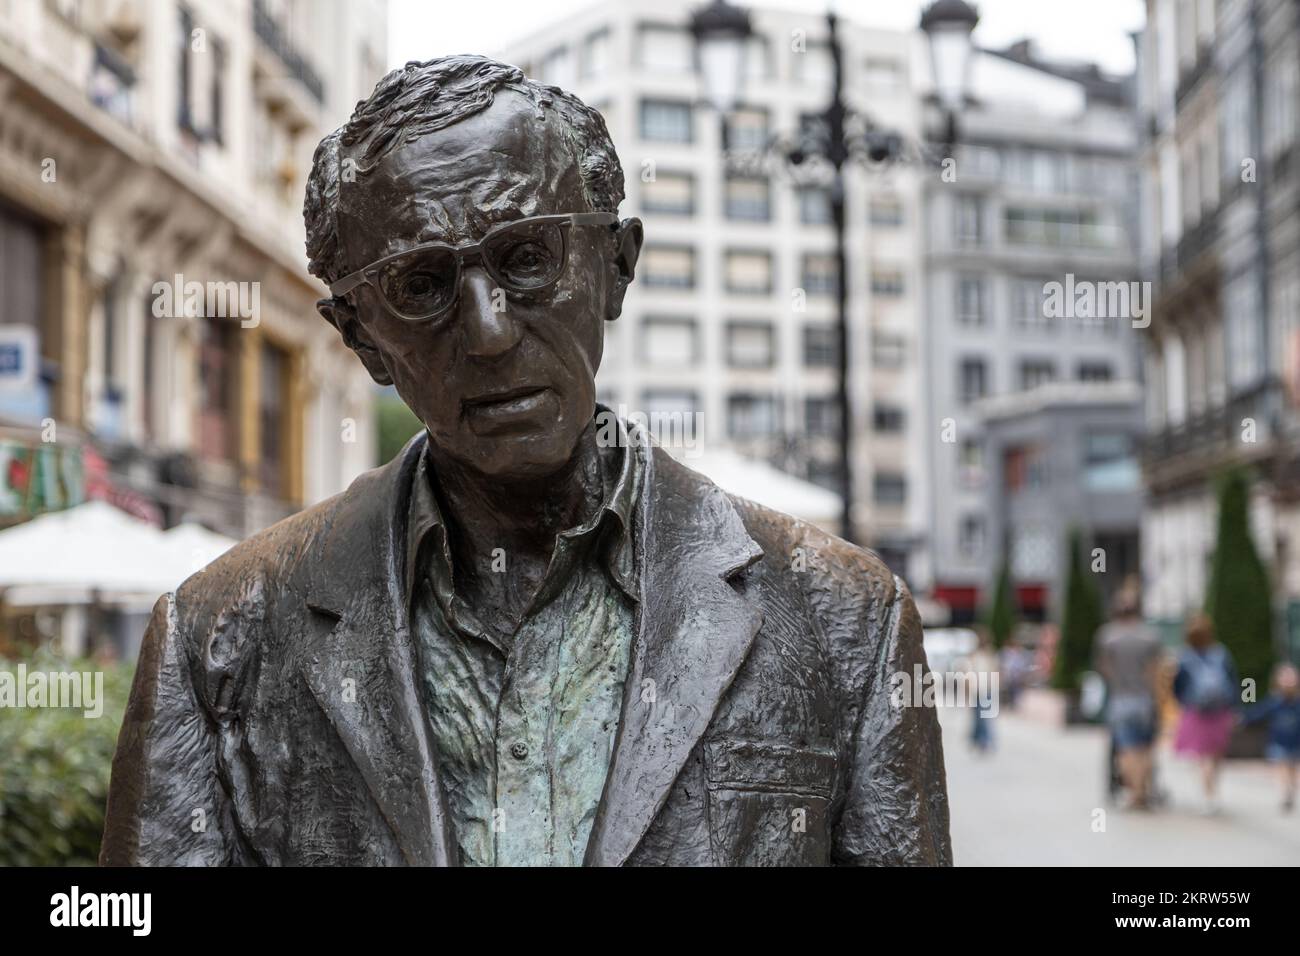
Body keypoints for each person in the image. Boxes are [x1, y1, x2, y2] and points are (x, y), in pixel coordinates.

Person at [99, 56, 951, 867]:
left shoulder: (846, 620)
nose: (491, 332)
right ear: (362, 341)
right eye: (421, 284)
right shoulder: (218, 638)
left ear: (615, 268)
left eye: (530, 257)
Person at [1093, 580, 1163, 810]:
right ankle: (1142, 791)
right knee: (1145, 748)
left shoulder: (1107, 636)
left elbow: (1104, 669)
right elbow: (1155, 672)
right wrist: (1157, 700)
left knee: (1125, 749)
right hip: (1144, 698)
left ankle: (1133, 793)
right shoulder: (1149, 636)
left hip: (1120, 699)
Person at [1172, 614, 1238, 815]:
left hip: (1197, 711)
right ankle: (1213, 791)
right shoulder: (1221, 653)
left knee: (1203, 757)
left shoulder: (1184, 656)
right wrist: (1240, 705)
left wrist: (1183, 703)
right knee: (1216, 754)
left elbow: (1177, 686)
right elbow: (1236, 680)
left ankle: (1209, 794)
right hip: (1221, 709)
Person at [1243, 663, 1300, 812]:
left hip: (1296, 742)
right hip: (1278, 741)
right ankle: (1284, 793)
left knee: (1293, 768)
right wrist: (1243, 718)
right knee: (1281, 766)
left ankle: (1291, 789)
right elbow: (1259, 713)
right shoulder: (1274, 701)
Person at [968, 631, 998, 754]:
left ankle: (984, 740)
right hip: (977, 691)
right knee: (977, 717)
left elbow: (995, 672)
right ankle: (977, 739)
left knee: (984, 718)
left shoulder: (990, 656)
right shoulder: (975, 656)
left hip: (986, 691)